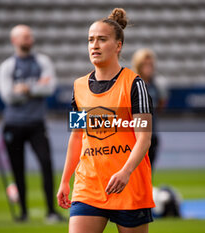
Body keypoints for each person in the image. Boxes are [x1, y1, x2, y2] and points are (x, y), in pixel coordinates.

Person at [57, 8, 155, 233]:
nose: (94, 45)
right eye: (90, 40)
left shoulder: (134, 84)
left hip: (129, 185)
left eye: (102, 39)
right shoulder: (79, 87)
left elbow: (144, 138)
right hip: (88, 186)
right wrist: (65, 180)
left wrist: (126, 172)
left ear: (118, 45)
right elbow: (77, 136)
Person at [0, 24, 63, 223]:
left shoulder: (43, 61)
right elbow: (7, 96)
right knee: (17, 168)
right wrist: (36, 88)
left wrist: (26, 89)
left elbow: (50, 88)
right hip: (13, 124)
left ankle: (51, 210)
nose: (29, 39)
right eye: (24, 36)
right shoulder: (7, 66)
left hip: (37, 124)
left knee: (46, 164)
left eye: (30, 35)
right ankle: (23, 212)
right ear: (14, 40)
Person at [132, 48, 168, 169]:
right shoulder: (132, 83)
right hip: (134, 138)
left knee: (148, 174)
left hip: (152, 136)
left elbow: (160, 106)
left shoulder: (157, 85)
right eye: (145, 64)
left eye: (150, 64)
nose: (148, 67)